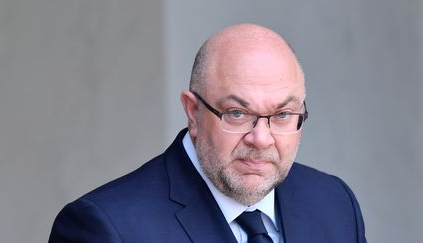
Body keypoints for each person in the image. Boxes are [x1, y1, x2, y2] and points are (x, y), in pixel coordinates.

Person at [49, 23, 367, 243]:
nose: (261, 138)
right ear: (193, 113)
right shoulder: (106, 228)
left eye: (282, 115)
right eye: (237, 113)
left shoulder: (335, 204)